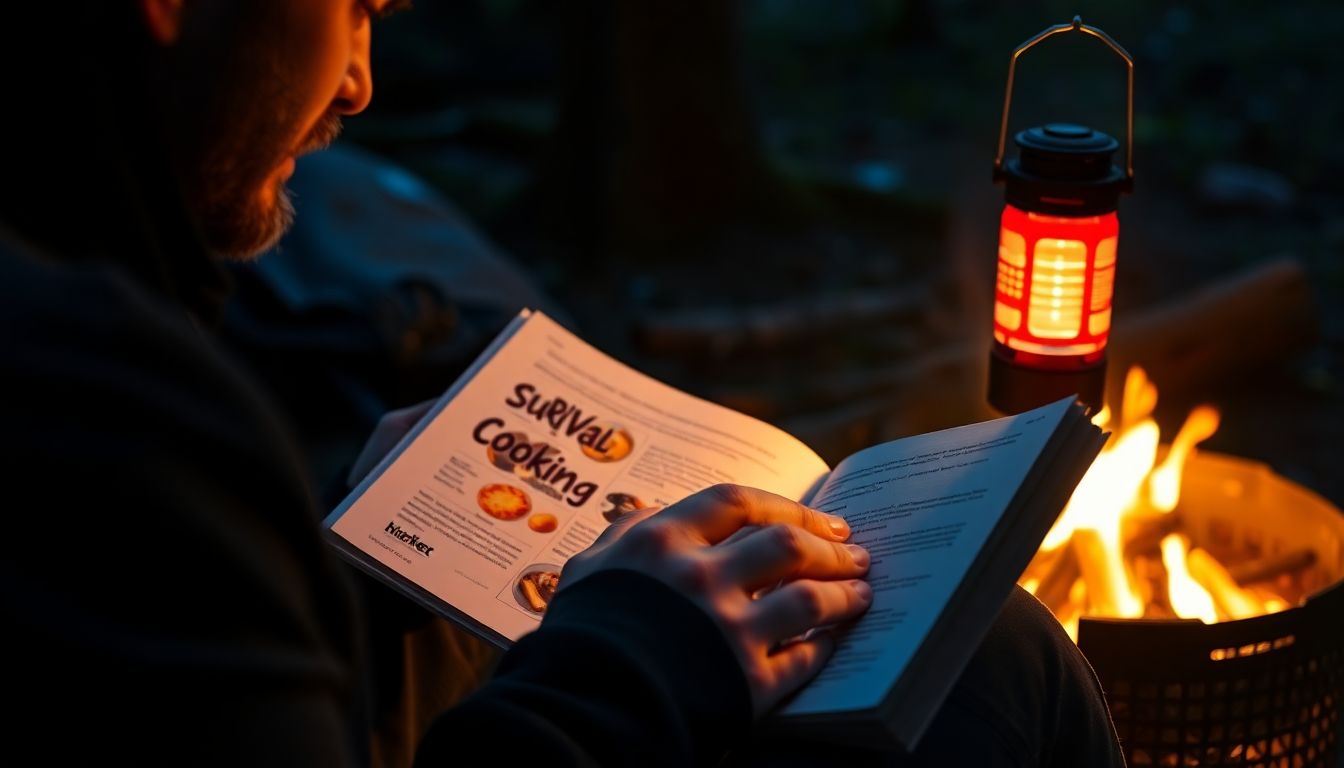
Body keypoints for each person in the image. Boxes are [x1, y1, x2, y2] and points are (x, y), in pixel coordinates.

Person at [0, 1, 1126, 766]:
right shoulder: (91, 414)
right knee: (989, 667)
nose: (357, 86)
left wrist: (347, 563)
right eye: (357, 8)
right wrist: (632, 663)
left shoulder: (94, 327)